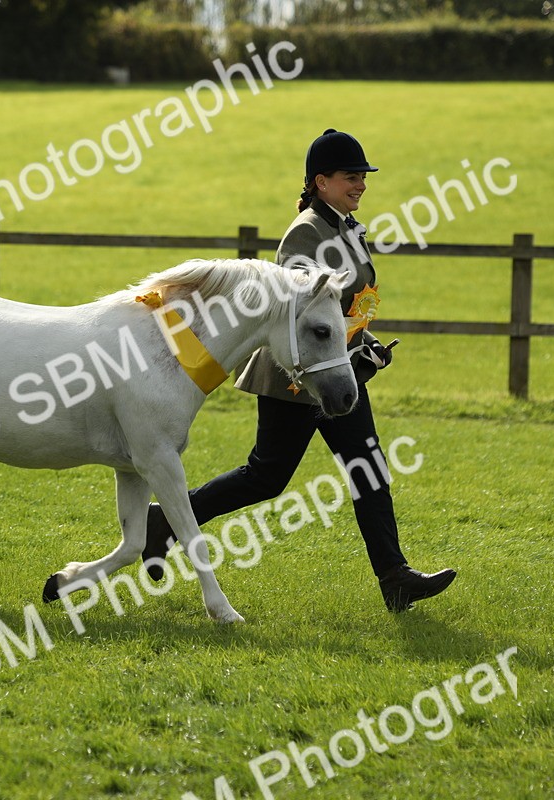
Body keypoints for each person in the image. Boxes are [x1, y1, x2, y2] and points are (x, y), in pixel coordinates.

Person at [141, 129, 456, 612]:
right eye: (352, 177)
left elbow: (343, 312)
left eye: (362, 177)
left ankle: (395, 577)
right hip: (297, 378)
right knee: (266, 477)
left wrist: (365, 344)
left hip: (337, 372)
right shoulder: (306, 233)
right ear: (321, 181)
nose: (361, 185)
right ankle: (165, 521)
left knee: (366, 465)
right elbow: (306, 310)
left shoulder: (345, 225)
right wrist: (347, 349)